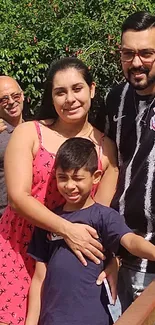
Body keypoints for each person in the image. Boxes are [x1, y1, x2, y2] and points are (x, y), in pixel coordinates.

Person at [0, 57, 118, 325]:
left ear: (92, 89)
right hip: (16, 249)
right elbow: (18, 199)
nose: (70, 99)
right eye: (60, 92)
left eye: (77, 89)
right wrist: (67, 229)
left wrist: (113, 259)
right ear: (51, 97)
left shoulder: (105, 150)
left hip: (66, 259)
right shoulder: (29, 132)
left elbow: (100, 216)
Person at [26, 137, 155, 325]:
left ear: (95, 177)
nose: (69, 186)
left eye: (78, 178)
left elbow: (131, 242)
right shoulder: (49, 221)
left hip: (92, 319)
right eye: (62, 177)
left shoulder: (104, 217)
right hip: (52, 319)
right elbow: (39, 278)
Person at [104, 11, 155, 313]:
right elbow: (109, 162)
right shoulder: (115, 98)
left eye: (146, 53)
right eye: (128, 53)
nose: (136, 63)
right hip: (124, 251)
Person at [0, 76, 24, 217]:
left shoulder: (34, 129)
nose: (11, 102)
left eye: (15, 95)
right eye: (3, 99)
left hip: (32, 219)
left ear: (22, 95)